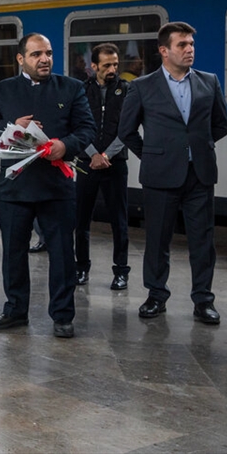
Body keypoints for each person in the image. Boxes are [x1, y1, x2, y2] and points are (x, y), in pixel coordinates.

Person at [0, 33, 96, 339]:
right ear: (21, 59)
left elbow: (86, 129)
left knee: (61, 254)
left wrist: (64, 145)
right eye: (36, 54)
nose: (45, 59)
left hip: (56, 186)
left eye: (49, 53)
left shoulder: (71, 88)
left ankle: (62, 315)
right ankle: (15, 310)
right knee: (13, 253)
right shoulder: (2, 90)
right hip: (16, 187)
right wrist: (13, 127)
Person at [118, 21, 227, 325]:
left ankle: (203, 300)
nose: (190, 49)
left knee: (203, 242)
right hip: (160, 176)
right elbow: (126, 132)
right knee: (157, 240)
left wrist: (197, 149)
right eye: (182, 44)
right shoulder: (142, 87)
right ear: (164, 51)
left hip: (200, 176)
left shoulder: (209, 82)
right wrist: (154, 155)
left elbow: (220, 125)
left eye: (191, 44)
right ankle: (155, 295)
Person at [74, 43, 131, 290]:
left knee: (119, 221)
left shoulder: (127, 90)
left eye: (116, 64)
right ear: (93, 66)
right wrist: (92, 154)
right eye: (107, 65)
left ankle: (121, 272)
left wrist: (106, 154)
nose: (112, 69)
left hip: (115, 164)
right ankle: (81, 268)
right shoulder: (81, 91)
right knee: (81, 220)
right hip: (87, 164)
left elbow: (128, 129)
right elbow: (76, 126)